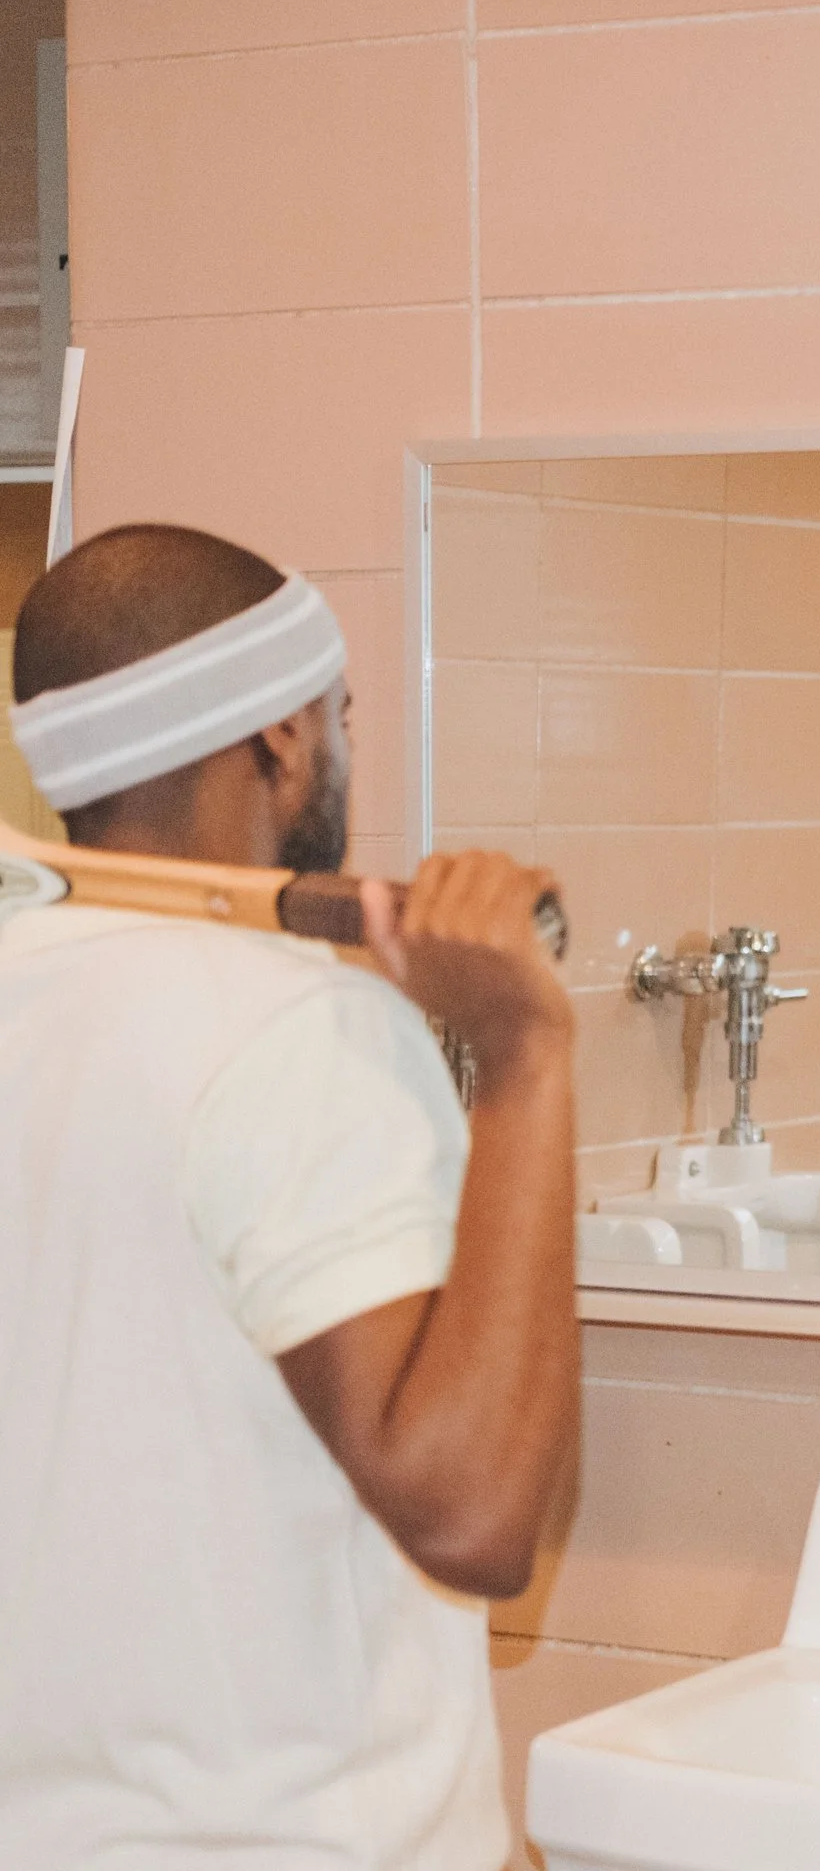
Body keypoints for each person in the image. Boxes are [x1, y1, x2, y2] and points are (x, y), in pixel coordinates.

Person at [0, 525, 579, 1866]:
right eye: (341, 715)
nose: (347, 751)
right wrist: (525, 1060)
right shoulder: (297, 1028)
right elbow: (481, 1518)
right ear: (278, 739)